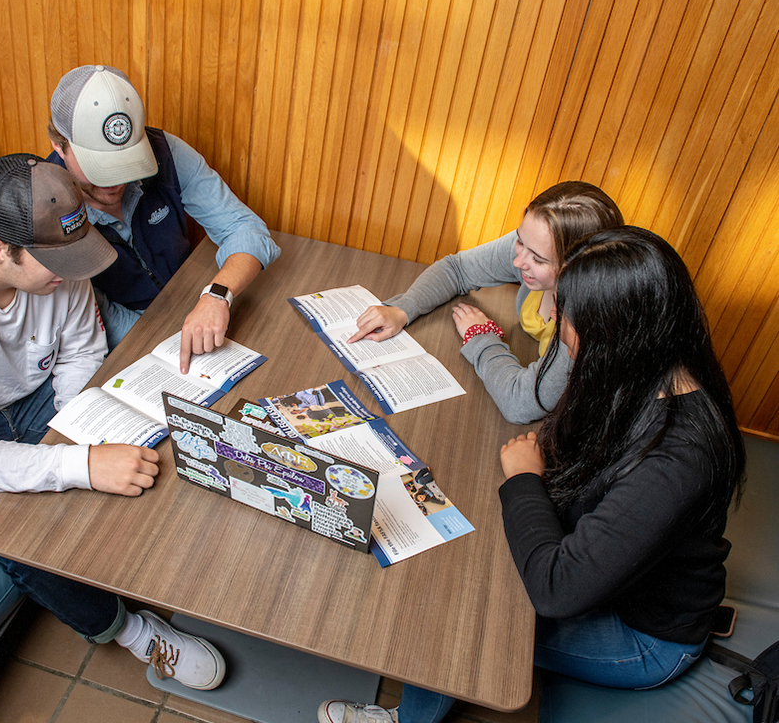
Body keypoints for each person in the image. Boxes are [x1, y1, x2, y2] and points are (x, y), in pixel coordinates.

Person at [319, 227, 746, 723]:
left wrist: (524, 480)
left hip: (645, 636)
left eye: (560, 310)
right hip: (607, 571)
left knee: (452, 612)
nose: (546, 316)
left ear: (614, 332)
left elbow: (556, 589)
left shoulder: (678, 458)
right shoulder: (644, 370)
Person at [0, 154, 226, 690]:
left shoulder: (61, 263)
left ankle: (143, 563)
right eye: (60, 262)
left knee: (141, 445)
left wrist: (78, 425)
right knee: (20, 538)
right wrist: (83, 463)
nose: (73, 273)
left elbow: (80, 352)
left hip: (26, 394)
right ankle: (130, 631)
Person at [46, 64, 281, 371]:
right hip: (125, 340)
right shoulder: (46, 206)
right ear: (59, 145)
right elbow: (95, 314)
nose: (114, 181)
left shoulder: (165, 150)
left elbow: (244, 228)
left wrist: (217, 295)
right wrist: (171, 342)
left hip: (197, 296)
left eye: (125, 161)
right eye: (99, 167)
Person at [347, 182, 624, 424]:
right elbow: (456, 269)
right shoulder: (534, 244)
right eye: (519, 241)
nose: (518, 262)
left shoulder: (584, 323)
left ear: (579, 267)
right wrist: (403, 308)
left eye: (538, 260)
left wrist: (482, 337)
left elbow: (520, 404)